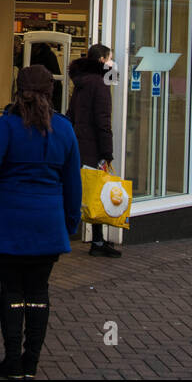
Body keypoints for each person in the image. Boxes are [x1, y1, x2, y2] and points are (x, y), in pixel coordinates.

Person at [0, 64, 81, 379]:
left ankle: (12, 361)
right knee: (38, 292)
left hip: (9, 218)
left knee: (11, 291)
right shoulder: (64, 128)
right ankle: (31, 361)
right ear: (51, 91)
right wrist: (70, 223)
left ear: (18, 90)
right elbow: (72, 184)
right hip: (48, 222)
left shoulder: (8, 124)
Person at [68, 43, 120, 256]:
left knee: (85, 190)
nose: (112, 62)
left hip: (80, 144)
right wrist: (107, 153)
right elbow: (102, 121)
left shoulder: (81, 82)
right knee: (97, 192)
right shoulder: (99, 84)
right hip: (94, 147)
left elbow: (72, 113)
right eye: (110, 58)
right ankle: (97, 242)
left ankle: (96, 240)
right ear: (101, 60)